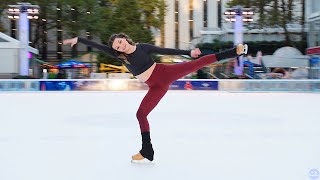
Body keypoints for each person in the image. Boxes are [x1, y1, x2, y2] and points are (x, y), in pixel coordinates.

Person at [63, 33, 248, 164]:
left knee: (197, 63)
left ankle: (235, 51)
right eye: (117, 47)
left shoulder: (143, 47)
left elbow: (166, 51)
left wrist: (187, 52)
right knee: (140, 114)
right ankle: (147, 151)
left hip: (165, 72)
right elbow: (97, 46)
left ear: (125, 38)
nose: (120, 46)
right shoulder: (119, 55)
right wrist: (78, 39)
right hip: (156, 86)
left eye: (120, 42)